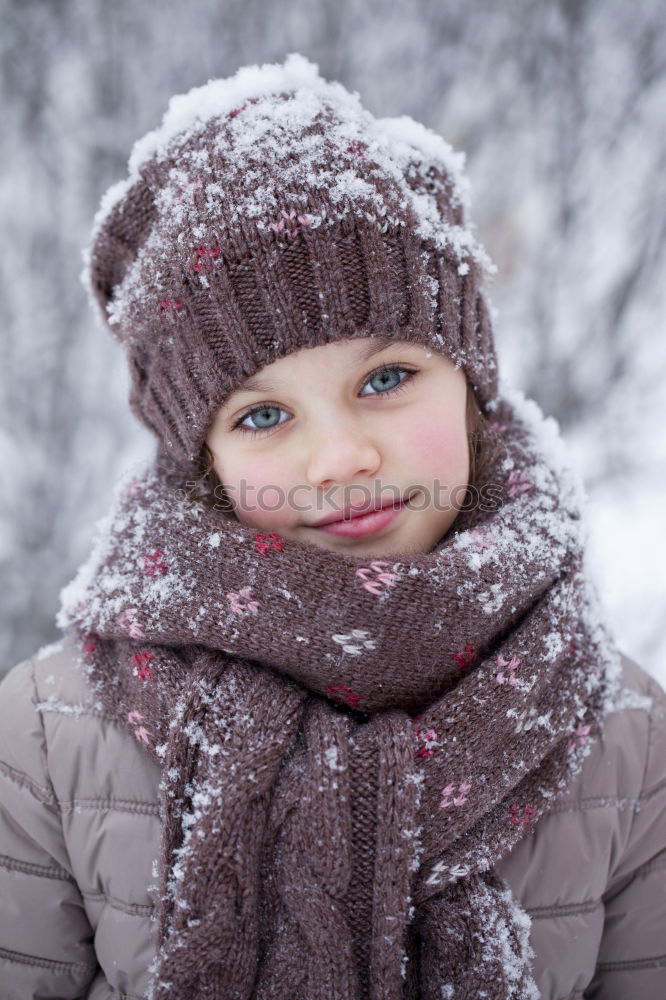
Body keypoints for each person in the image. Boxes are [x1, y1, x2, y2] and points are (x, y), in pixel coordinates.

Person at [0, 52, 664, 1000]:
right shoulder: (47, 736)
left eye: (385, 379)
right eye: (262, 416)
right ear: (207, 466)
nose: (340, 458)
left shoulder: (624, 733)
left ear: (470, 382)